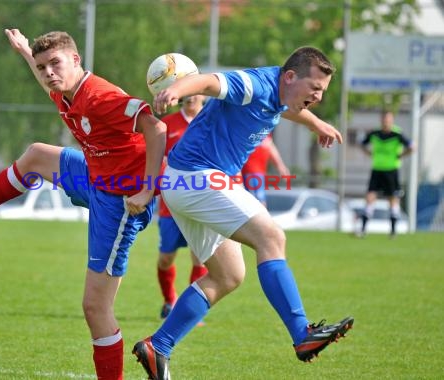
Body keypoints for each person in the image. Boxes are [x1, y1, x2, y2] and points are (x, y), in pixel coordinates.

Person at [0, 29, 166, 380]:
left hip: (121, 203)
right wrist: (27, 52)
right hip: (96, 178)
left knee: (95, 306)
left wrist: (147, 191)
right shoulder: (65, 92)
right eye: (42, 67)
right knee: (37, 156)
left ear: (77, 60)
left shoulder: (100, 96)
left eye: (55, 64)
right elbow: (46, 77)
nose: (48, 73)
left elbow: (156, 128)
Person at [132, 46, 354, 379]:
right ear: (291, 77)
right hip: (197, 177)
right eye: (315, 89)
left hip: (187, 181)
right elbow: (209, 82)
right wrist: (176, 89)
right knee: (272, 237)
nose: (318, 97)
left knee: (228, 275)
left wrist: (315, 123)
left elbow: (287, 110)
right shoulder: (255, 84)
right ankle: (302, 334)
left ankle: (158, 346)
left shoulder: (280, 95)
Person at [156, 95, 208, 321]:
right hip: (171, 203)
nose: (190, 97)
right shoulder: (167, 123)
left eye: (195, 91)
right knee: (166, 258)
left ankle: (190, 312)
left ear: (204, 94)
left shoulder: (211, 121)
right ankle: (169, 301)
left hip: (203, 201)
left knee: (201, 258)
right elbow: (155, 158)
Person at [358, 110, 413, 238]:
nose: (385, 122)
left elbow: (412, 146)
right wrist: (368, 153)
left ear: (392, 120)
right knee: (370, 197)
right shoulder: (374, 133)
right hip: (377, 169)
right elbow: (361, 143)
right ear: (381, 120)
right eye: (384, 119)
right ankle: (363, 229)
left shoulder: (397, 134)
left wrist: (401, 155)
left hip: (391, 170)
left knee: (392, 199)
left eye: (388, 120)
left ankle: (393, 231)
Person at [241, 134, 290, 207]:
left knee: (260, 203)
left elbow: (269, 145)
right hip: (250, 170)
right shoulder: (250, 127)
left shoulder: (265, 129)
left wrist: (280, 166)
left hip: (259, 171)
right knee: (257, 204)